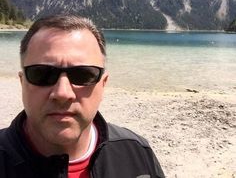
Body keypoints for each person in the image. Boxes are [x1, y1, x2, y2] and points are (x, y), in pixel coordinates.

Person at [0, 14, 165, 178]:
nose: (63, 93)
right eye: (42, 73)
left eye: (83, 75)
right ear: (22, 82)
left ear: (103, 84)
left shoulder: (136, 154)